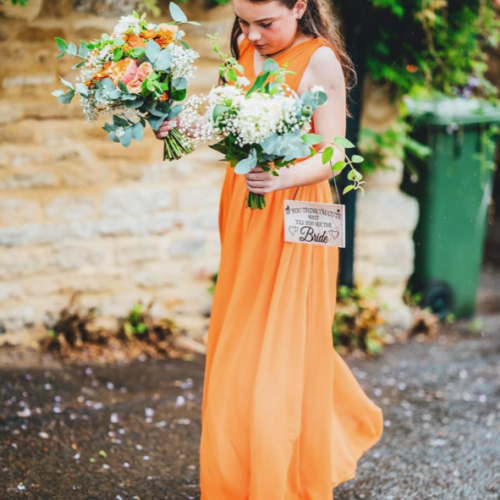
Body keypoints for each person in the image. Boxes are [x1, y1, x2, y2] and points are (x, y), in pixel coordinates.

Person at [155, 0, 384, 497]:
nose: (252, 34)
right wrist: (178, 128)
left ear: (300, 6)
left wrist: (282, 177)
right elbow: (225, 124)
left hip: (298, 211)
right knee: (241, 342)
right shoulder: (243, 46)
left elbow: (333, 150)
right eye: (244, 21)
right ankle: (240, 476)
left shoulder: (319, 58)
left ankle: (281, 480)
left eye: (265, 22)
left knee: (284, 343)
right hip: (245, 207)